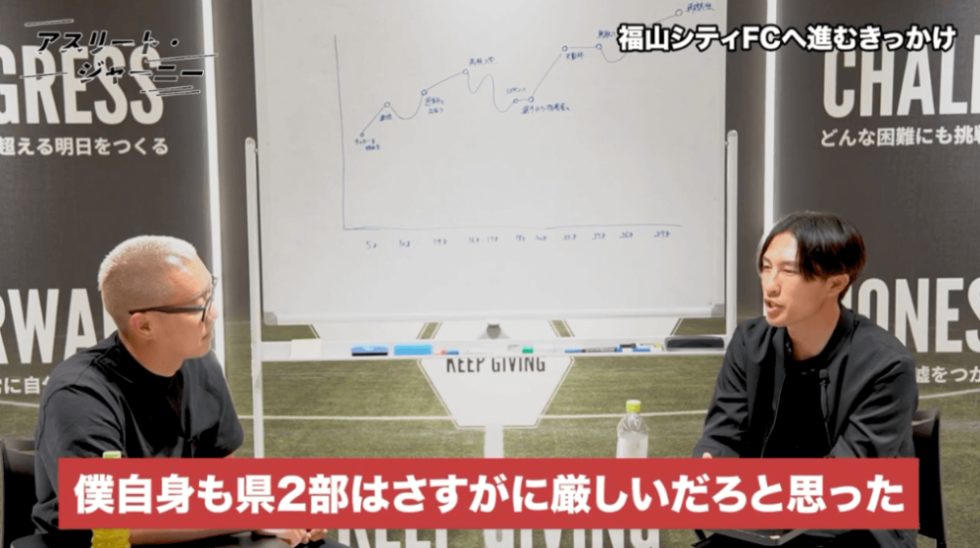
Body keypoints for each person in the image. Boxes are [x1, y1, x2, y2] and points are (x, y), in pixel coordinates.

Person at [32, 235, 332, 546]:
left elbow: (223, 478)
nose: (213, 313)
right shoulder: (78, 394)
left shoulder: (201, 364)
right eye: (198, 305)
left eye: (210, 294)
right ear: (144, 325)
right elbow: (111, 522)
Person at [692, 211, 918, 548]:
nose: (770, 285)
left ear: (835, 283)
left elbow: (846, 483)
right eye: (766, 267)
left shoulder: (886, 365)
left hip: (853, 531)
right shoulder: (749, 342)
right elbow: (723, 435)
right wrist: (710, 463)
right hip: (764, 523)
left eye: (788, 271)